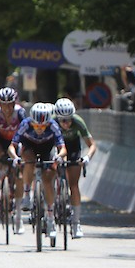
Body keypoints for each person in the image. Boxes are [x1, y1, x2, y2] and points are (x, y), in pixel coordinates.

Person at [8, 102, 67, 240]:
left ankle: (51, 219)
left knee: (48, 180)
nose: (39, 129)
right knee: (29, 161)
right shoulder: (25, 124)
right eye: (36, 126)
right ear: (32, 122)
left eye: (43, 126)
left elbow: (63, 148)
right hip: (30, 148)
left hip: (47, 150)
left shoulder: (53, 125)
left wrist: (59, 156)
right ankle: (27, 195)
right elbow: (12, 146)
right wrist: (15, 157)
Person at [0, 88, 27, 233]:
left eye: (10, 104)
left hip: (16, 142)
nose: (7, 108)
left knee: (20, 172)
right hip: (0, 140)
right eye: (4, 104)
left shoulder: (20, 112)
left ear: (15, 103)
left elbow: (27, 133)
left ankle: (19, 218)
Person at [53, 97, 97, 238]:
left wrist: (87, 157)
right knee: (50, 173)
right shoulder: (52, 121)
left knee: (74, 185)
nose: (66, 123)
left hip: (73, 147)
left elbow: (92, 145)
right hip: (56, 146)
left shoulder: (78, 122)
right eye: (63, 120)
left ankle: (76, 222)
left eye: (69, 119)